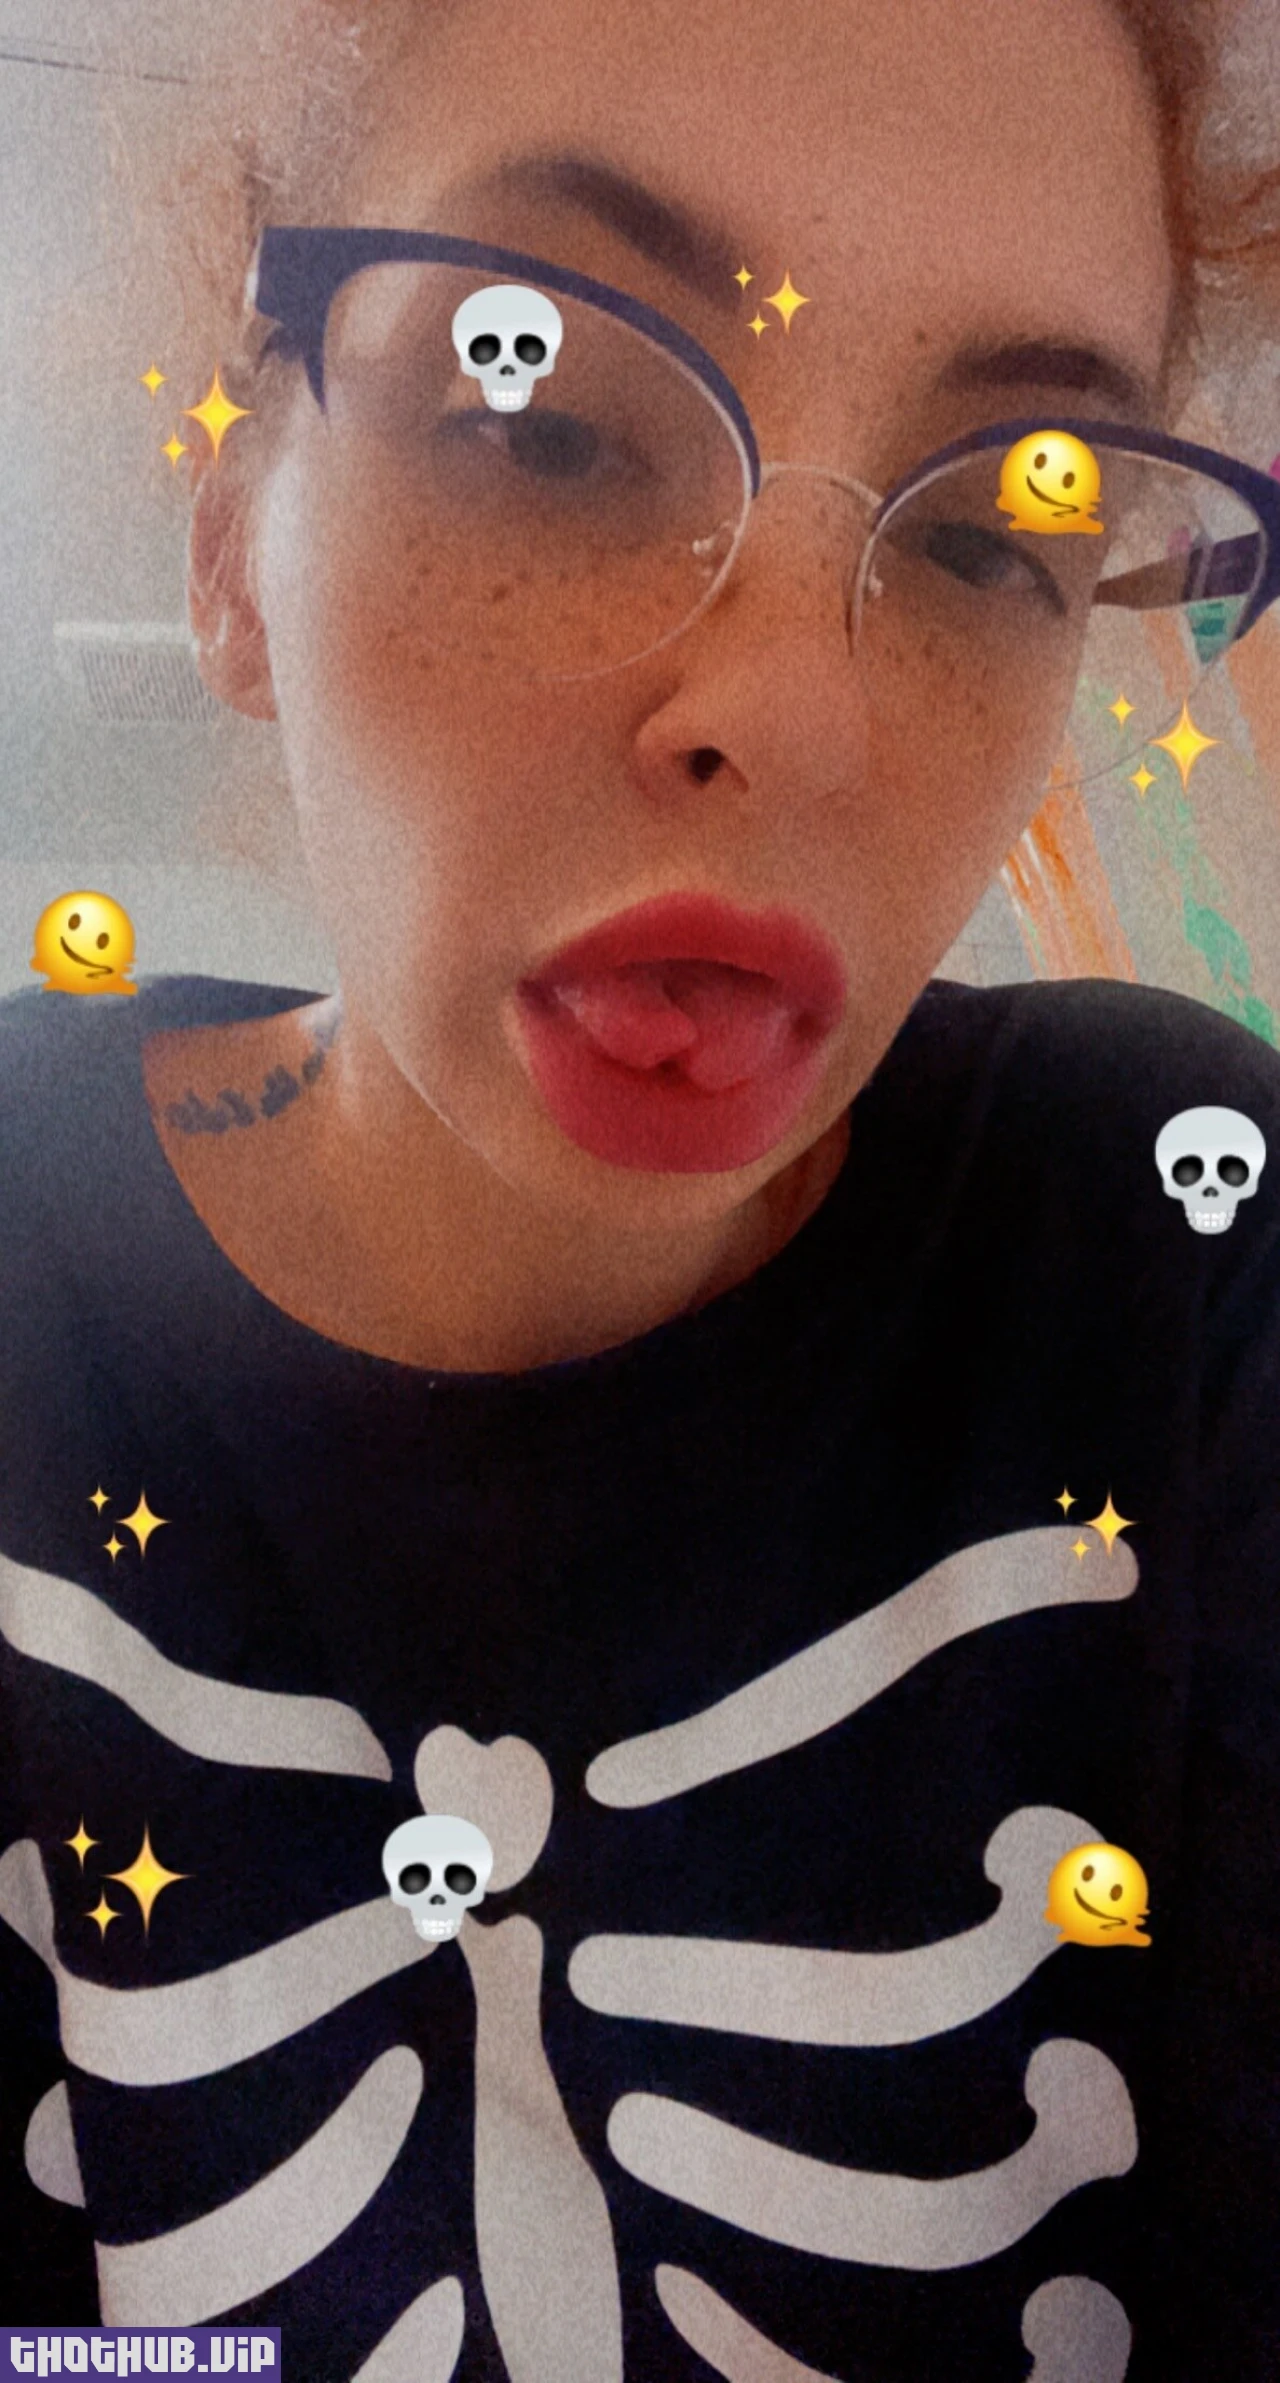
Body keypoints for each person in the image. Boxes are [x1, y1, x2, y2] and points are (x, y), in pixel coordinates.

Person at [2, 0, 1279, 2373]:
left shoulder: (1180, 1259)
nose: (796, 715)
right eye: (551, 423)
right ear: (236, 551)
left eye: (997, 532)